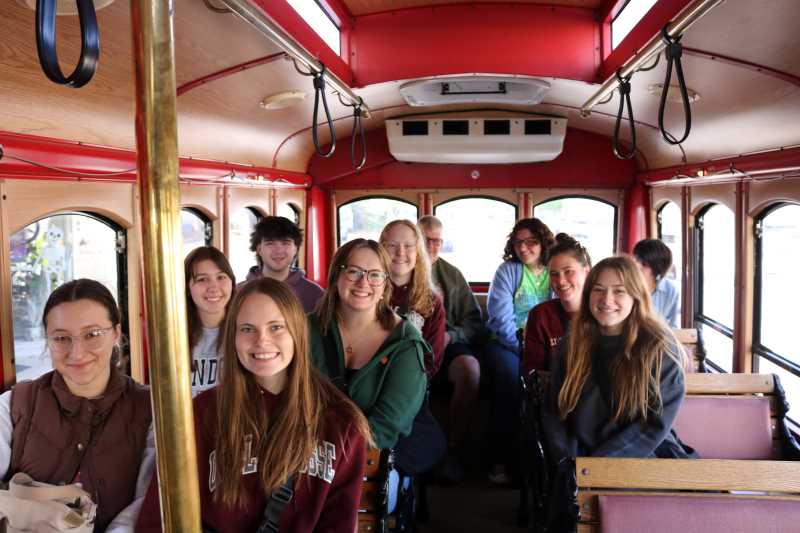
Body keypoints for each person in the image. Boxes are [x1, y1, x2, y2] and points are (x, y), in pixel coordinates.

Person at [137, 278, 370, 532]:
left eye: (276, 327)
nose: (262, 341)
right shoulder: (202, 413)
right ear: (233, 337)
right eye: (247, 329)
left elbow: (340, 523)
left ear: (297, 332)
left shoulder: (340, 422)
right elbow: (160, 512)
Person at [0, 279, 154, 532]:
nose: (77, 352)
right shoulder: (15, 404)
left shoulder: (150, 410)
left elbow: (147, 502)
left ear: (116, 333)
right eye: (62, 338)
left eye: (92, 334)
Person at [309, 239, 443, 475]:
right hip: (306, 448)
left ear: (385, 285)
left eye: (374, 275)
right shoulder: (305, 329)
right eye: (353, 271)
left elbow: (388, 425)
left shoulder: (404, 343)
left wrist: (329, 463)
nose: (363, 282)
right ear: (335, 277)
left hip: (374, 457)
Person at [543, 256, 695, 462]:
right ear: (588, 296)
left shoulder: (660, 349)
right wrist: (568, 462)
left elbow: (652, 426)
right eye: (598, 289)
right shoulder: (572, 344)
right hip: (579, 457)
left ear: (636, 296)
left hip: (641, 456)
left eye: (619, 291)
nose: (606, 299)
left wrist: (600, 466)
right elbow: (555, 410)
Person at [485, 218, 555, 483]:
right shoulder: (508, 271)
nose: (523, 248)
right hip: (507, 344)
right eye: (518, 243)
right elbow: (500, 320)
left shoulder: (554, 270)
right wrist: (525, 349)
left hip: (546, 346)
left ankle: (542, 462)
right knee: (509, 383)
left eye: (531, 242)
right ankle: (500, 460)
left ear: (543, 243)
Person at [417, 215, 483, 482]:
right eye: (426, 240)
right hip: (408, 347)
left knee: (470, 370)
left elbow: (474, 321)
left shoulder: (452, 276)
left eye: (438, 241)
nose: (432, 246)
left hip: (446, 345)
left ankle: (452, 450)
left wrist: (450, 336)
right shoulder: (397, 271)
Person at [379, 219, 446, 379]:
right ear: (381, 249)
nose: (400, 252)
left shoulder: (432, 301)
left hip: (412, 384)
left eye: (408, 246)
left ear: (418, 252)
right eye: (392, 245)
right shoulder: (367, 292)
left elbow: (431, 361)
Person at [523, 233, 591, 375]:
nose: (561, 281)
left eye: (568, 272)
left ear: (586, 272)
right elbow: (533, 372)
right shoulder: (540, 315)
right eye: (554, 274)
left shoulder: (602, 312)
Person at [184, 246, 235, 396]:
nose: (213, 287)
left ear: (232, 282)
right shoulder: (173, 337)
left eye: (221, 277)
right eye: (202, 279)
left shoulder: (245, 331)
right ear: (187, 288)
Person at [246, 215, 323, 312]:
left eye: (285, 243)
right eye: (270, 243)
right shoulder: (238, 291)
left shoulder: (315, 294)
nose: (278, 251)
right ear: (259, 249)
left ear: (296, 249)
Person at [632, 238, 680, 327]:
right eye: (636, 260)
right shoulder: (625, 286)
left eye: (644, 264)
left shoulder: (670, 290)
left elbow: (672, 326)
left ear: (657, 269)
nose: (637, 266)